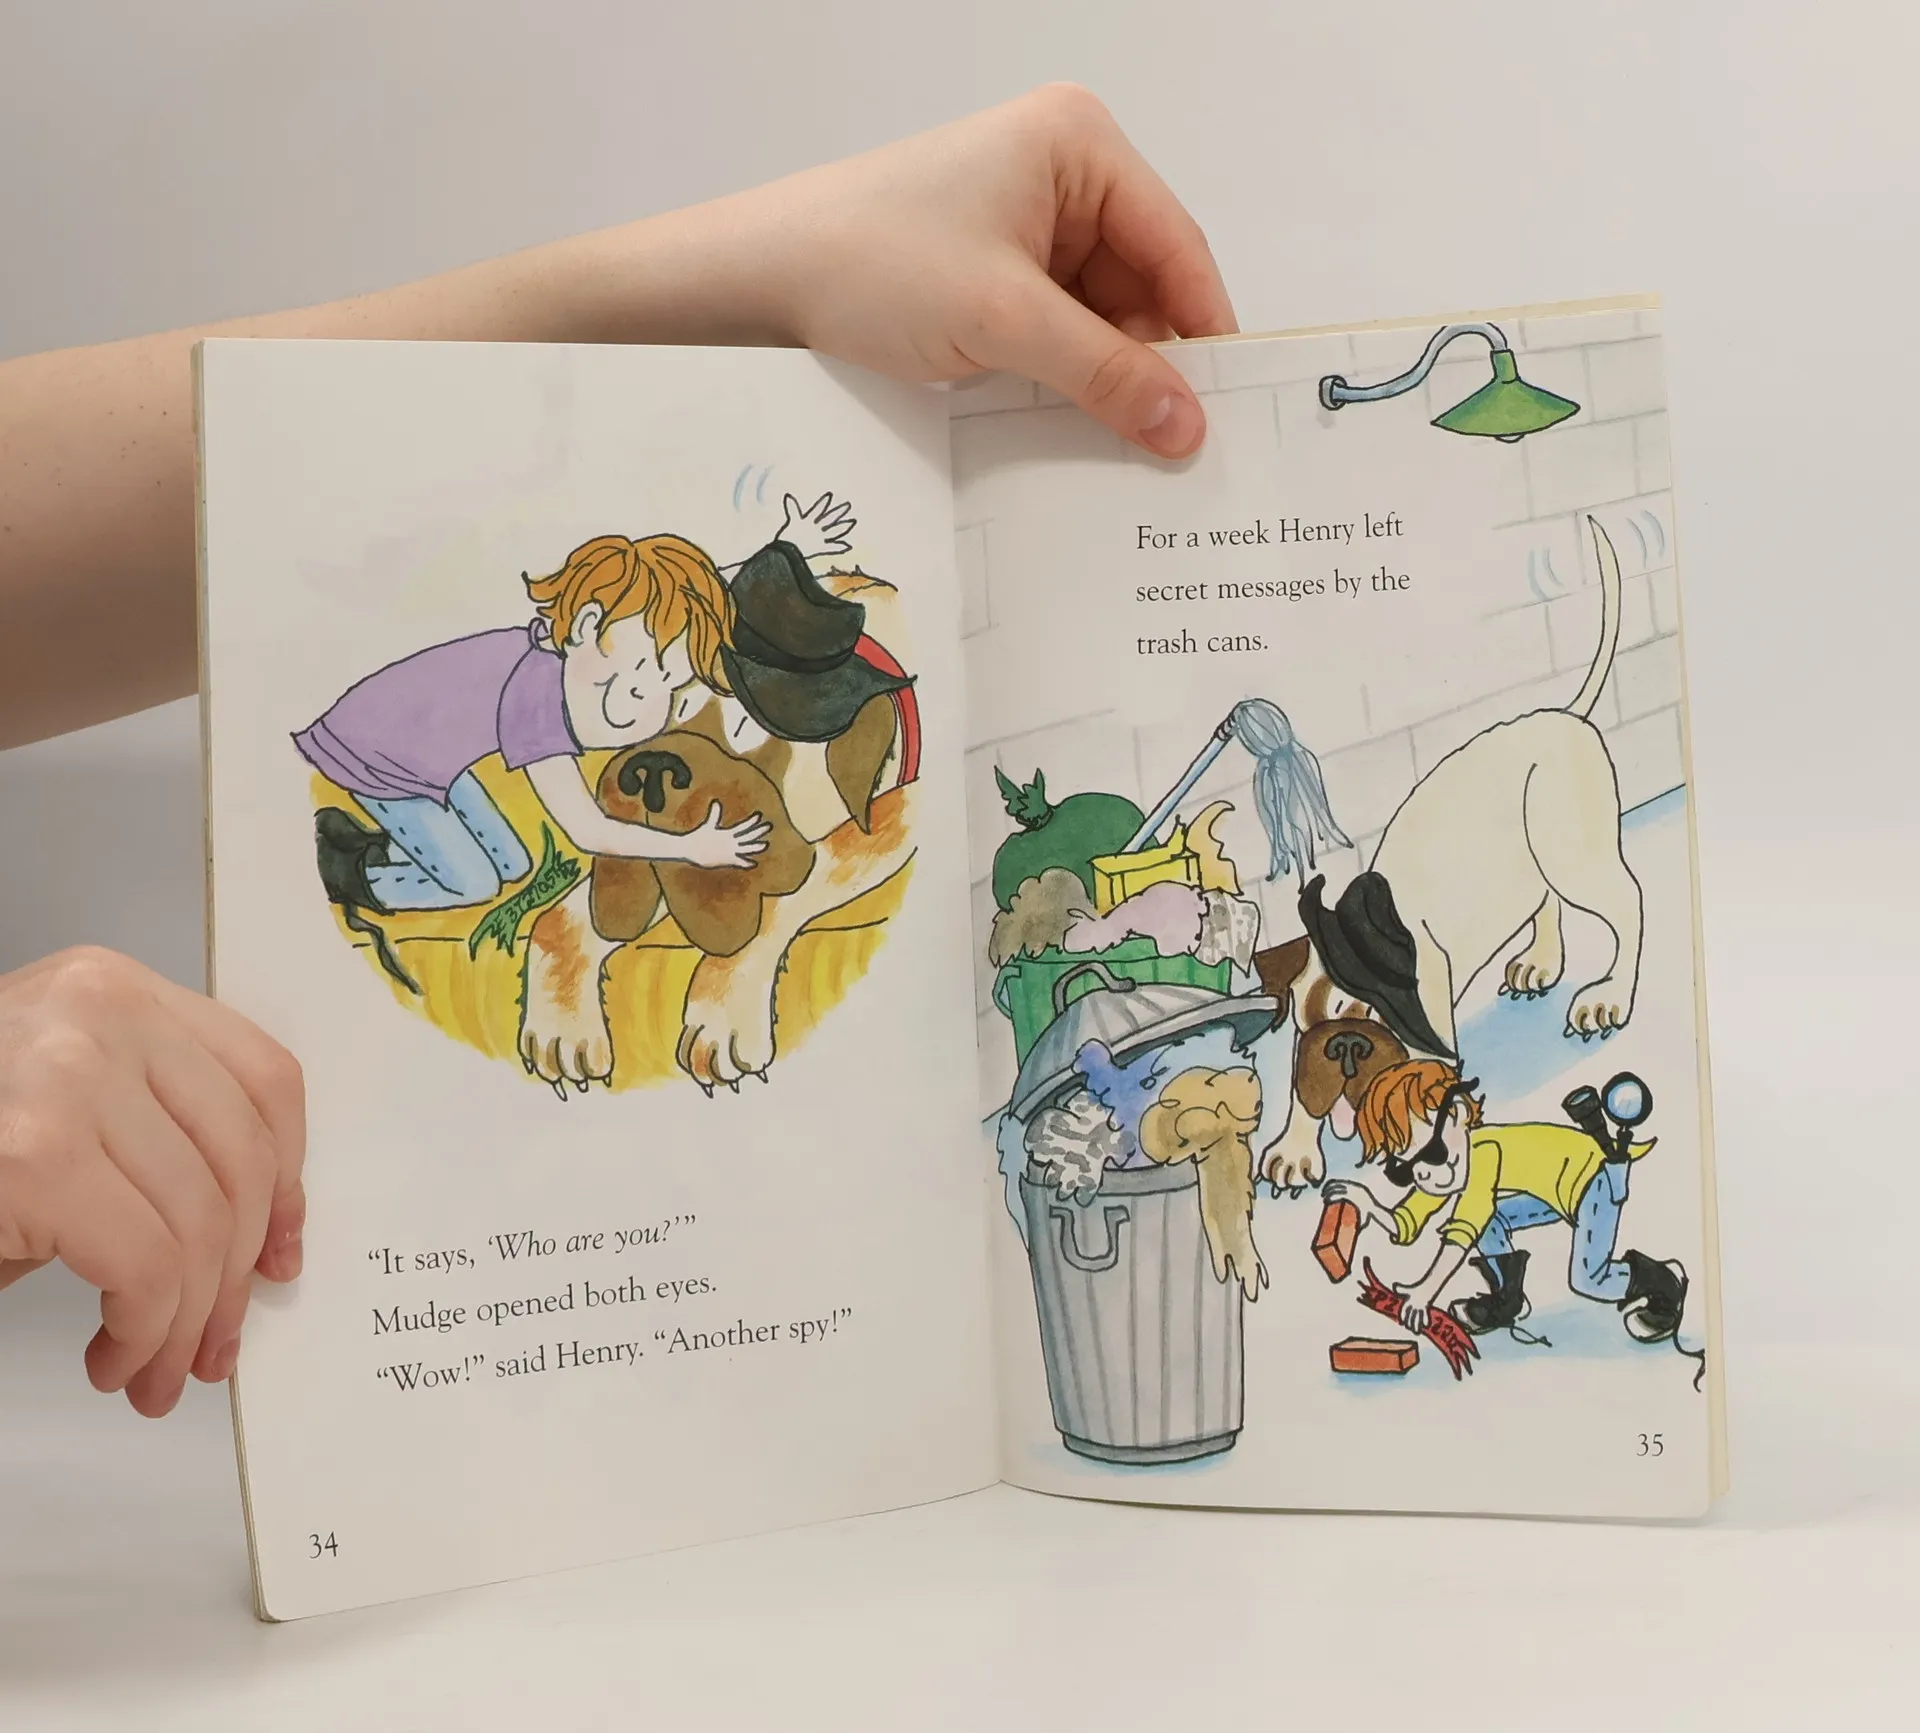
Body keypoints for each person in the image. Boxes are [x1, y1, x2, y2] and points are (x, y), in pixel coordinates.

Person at [0, 85, 1236, 1418]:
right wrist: (684, 844)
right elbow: (592, 829)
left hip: (452, 770)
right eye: (641, 679)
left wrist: (767, 273)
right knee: (474, 867)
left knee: (506, 851)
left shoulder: (624, 693)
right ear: (578, 632)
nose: (650, 707)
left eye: (673, 684)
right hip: (383, 769)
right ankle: (373, 866)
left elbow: (243, 478)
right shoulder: (547, 709)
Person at [1323, 1058, 1687, 1343]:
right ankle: (1507, 1299)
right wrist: (1371, 1206)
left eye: (1433, 1153)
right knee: (1493, 1220)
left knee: (1589, 1279)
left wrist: (1425, 1292)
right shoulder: (1437, 1170)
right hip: (1554, 1188)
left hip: (1593, 1177)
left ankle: (1664, 1283)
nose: (1427, 1175)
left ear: (1458, 1114)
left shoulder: (1482, 1153)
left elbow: (1466, 1226)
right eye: (1407, 1169)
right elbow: (1407, 1223)